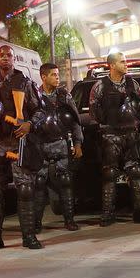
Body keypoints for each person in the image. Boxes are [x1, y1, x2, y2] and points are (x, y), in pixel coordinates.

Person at [0, 45, 45, 251]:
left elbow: (39, 110)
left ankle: (29, 236)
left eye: (9, 55)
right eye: (2, 55)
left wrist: (30, 124)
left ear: (14, 59)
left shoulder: (24, 82)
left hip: (17, 141)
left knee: (25, 190)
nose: (5, 58)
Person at [89, 52, 140, 226]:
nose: (126, 65)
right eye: (122, 62)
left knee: (136, 171)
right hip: (110, 135)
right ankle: (107, 214)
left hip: (131, 134)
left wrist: (136, 121)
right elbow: (94, 112)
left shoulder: (133, 84)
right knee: (109, 173)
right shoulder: (100, 86)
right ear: (112, 65)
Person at [33, 63, 82, 232]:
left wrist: (78, 143)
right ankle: (36, 223)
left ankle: (69, 220)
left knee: (66, 182)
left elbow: (75, 120)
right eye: (53, 74)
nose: (57, 77)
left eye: (57, 74)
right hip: (40, 146)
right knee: (38, 184)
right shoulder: (35, 96)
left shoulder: (64, 95)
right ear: (43, 77)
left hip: (60, 144)